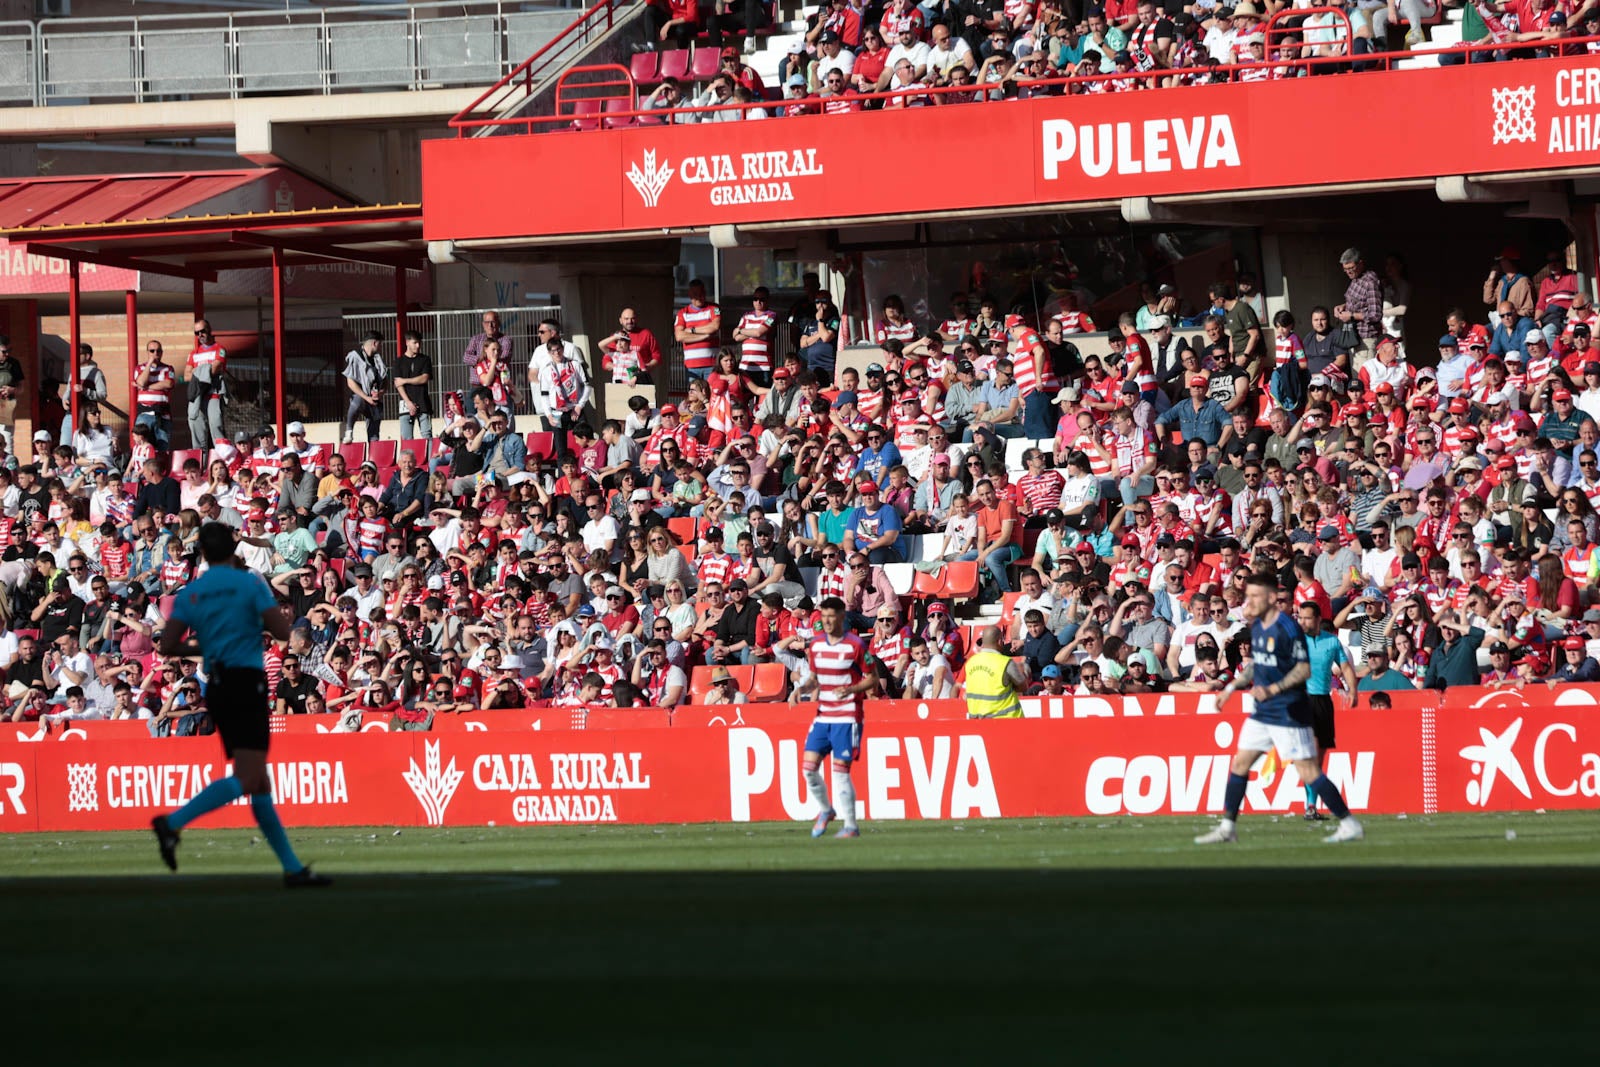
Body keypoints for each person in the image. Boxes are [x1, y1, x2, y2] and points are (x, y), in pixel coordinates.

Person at [149, 523, 331, 887]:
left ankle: (293, 869)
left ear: (201, 553)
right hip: (246, 683)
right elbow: (282, 632)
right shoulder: (249, 584)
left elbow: (167, 646)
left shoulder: (192, 593)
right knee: (251, 777)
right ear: (233, 550)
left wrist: (208, 646)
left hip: (217, 685)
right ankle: (172, 823)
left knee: (259, 782)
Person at [1194, 574, 1364, 845]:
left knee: (1308, 771)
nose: (1250, 601)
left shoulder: (1288, 629)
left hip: (1289, 711)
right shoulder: (1259, 627)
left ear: (1272, 598)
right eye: (1248, 596)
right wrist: (1229, 688)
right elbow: (1255, 665)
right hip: (1263, 712)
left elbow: (1303, 669)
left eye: (1255, 596)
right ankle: (1228, 827)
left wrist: (1273, 689)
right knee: (1239, 763)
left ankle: (1349, 822)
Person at [788, 596, 875, 839]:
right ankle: (826, 810)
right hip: (823, 715)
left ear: (841, 617)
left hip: (847, 716)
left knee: (840, 773)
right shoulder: (815, 646)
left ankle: (851, 826)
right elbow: (814, 679)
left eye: (831, 616)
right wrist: (800, 690)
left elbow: (872, 679)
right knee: (808, 769)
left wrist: (851, 689)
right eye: (823, 616)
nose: (826, 621)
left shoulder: (856, 645)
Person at [1298, 601, 1356, 822]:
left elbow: (1346, 667)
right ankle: (1310, 806)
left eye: (1307, 618)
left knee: (1319, 757)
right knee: (1311, 755)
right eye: (1300, 617)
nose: (1302, 622)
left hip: (1323, 701)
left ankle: (1311, 804)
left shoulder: (1331, 642)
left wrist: (1353, 691)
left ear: (1318, 620)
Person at [963, 625, 1028, 719]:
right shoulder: (1005, 662)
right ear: (1000, 641)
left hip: (978, 720)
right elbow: (1023, 686)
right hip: (1007, 721)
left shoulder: (970, 662)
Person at [187, 319, 228, 451]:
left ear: (209, 330)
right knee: (197, 433)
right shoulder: (193, 353)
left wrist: (196, 371)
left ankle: (222, 461)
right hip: (198, 396)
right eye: (196, 332)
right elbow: (187, 376)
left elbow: (214, 369)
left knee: (216, 428)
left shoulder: (220, 349)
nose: (200, 335)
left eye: (202, 331)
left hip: (213, 394)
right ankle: (200, 465)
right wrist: (205, 369)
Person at [342, 330, 388, 445]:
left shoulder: (378, 360)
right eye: (380, 344)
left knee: (374, 436)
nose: (381, 347)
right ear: (374, 343)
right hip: (362, 397)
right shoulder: (355, 356)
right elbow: (350, 382)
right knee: (356, 401)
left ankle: (373, 456)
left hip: (375, 401)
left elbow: (386, 380)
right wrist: (366, 397)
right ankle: (349, 431)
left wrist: (380, 393)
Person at [393, 330, 434, 439]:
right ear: (407, 342)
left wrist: (405, 380)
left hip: (423, 402)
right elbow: (398, 383)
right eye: (415, 343)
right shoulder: (399, 361)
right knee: (407, 437)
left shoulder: (425, 359)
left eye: (419, 343)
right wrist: (408, 402)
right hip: (405, 404)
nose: (418, 345)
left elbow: (424, 378)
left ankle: (428, 456)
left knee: (427, 435)